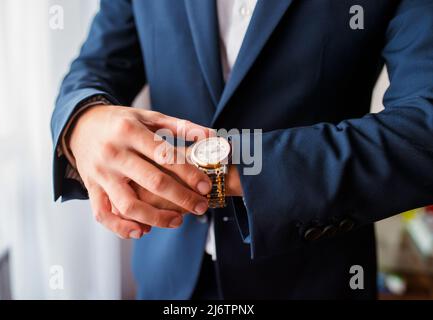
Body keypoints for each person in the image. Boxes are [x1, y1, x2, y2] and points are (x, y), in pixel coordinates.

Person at [51, 0, 433, 299]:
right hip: (166, 273)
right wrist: (82, 120)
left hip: (311, 276)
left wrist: (224, 172)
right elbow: (97, 63)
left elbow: (423, 128)